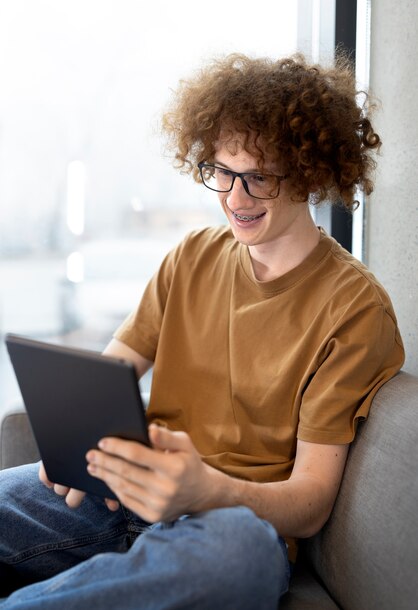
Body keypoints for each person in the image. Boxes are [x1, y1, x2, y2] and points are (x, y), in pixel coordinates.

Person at [0, 53, 404, 609]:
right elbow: (113, 371)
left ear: (311, 173)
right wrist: (72, 439)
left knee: (239, 558)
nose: (235, 199)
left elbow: (310, 502)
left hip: (229, 522)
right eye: (222, 172)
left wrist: (206, 490)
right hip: (122, 495)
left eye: (258, 178)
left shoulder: (355, 308)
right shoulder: (192, 255)